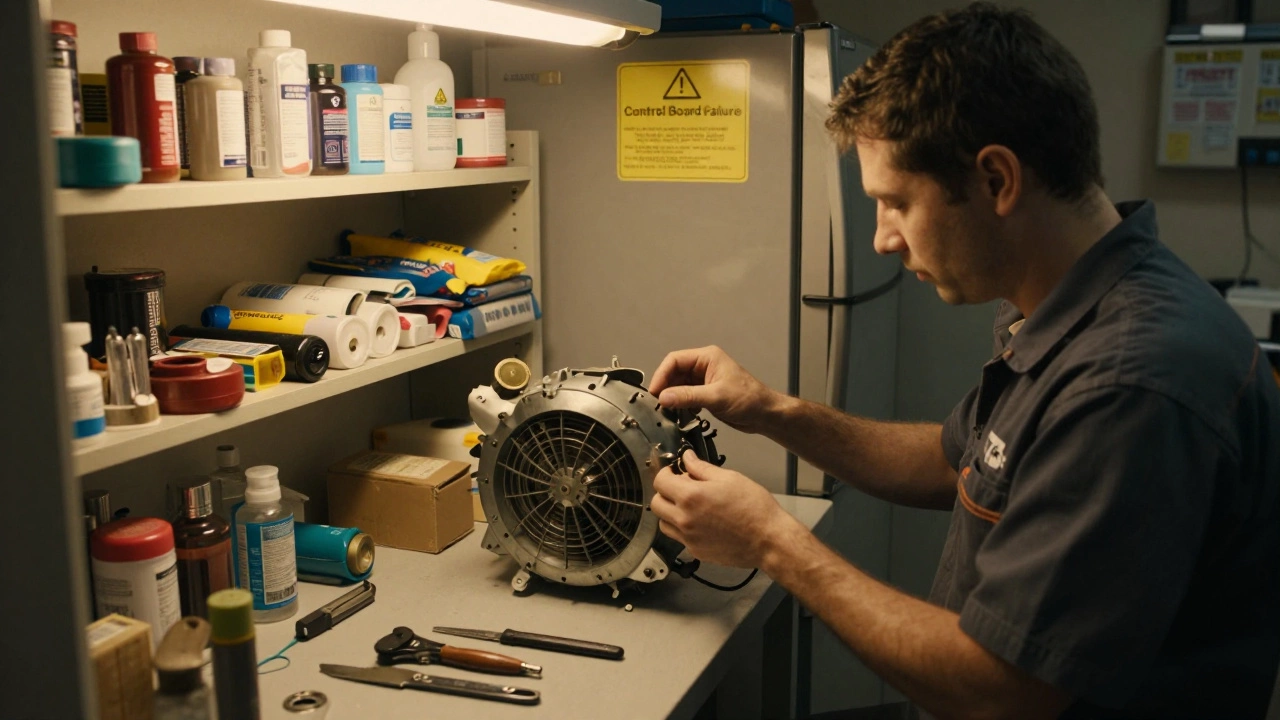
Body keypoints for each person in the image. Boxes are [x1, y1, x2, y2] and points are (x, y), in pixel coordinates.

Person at [649, 4, 1280, 719]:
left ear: (997, 180)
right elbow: (959, 464)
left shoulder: (1132, 381)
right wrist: (771, 411)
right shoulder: (1061, 304)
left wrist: (770, 539)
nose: (883, 239)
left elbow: (1001, 690)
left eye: (895, 202)